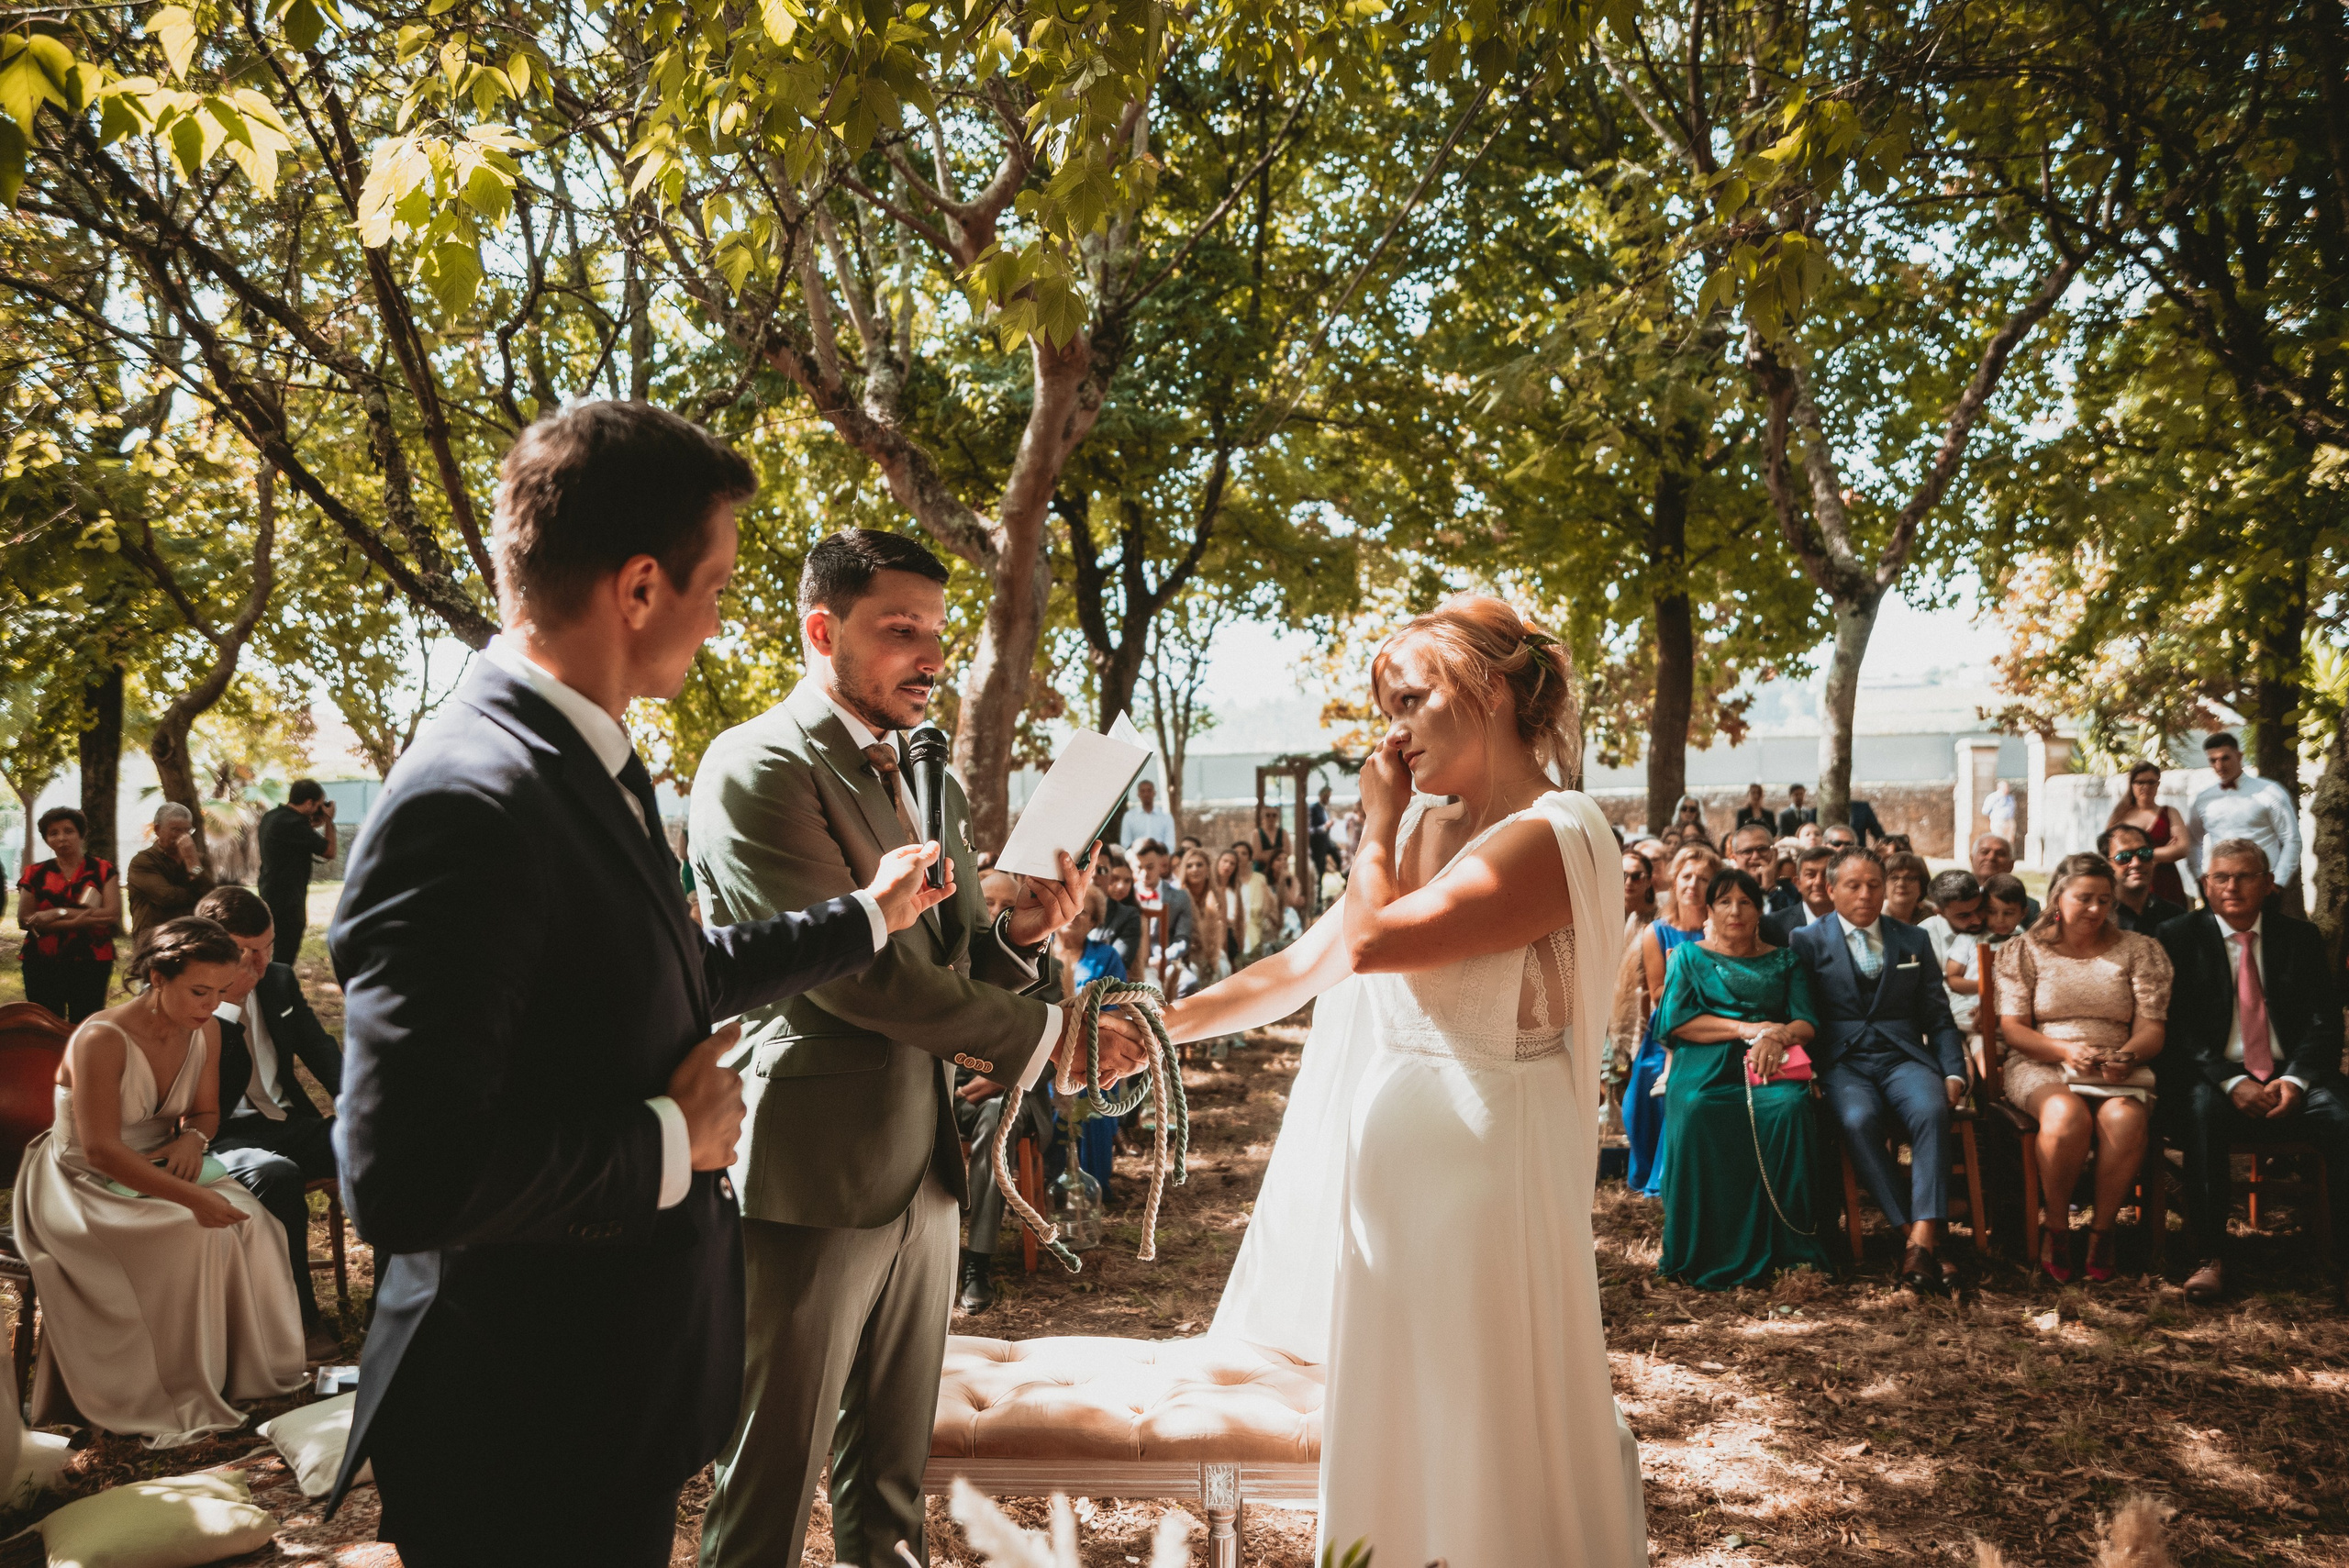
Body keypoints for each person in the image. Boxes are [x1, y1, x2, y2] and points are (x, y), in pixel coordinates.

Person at [325, 406, 958, 1564]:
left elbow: (665, 971)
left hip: (604, 1386)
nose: (720, 621)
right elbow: (404, 1179)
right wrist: (670, 1139)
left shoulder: (583, 760)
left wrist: (869, 912)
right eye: (714, 586)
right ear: (637, 587)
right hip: (515, 1416)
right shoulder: (469, 801)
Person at [687, 526, 1148, 1568]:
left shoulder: (927, 775)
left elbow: (953, 966)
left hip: (927, 1174)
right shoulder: (757, 765)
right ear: (822, 628)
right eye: (902, 630)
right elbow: (855, 976)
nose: (931, 655)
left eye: (939, 631)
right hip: (813, 1170)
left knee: (891, 1479)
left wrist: (1025, 934)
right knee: (769, 1484)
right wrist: (1056, 1038)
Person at [1157, 595, 1645, 1568]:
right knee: (1399, 1428)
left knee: (1479, 1425)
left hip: (1481, 1185)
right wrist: (1155, 1028)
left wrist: (1372, 828)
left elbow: (1374, 941)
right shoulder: (1427, 827)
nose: (1393, 730)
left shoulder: (1555, 831)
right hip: (1390, 1194)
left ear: (1494, 690)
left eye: (1413, 698)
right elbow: (1305, 965)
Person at [13, 917, 306, 1443]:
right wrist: (192, 1197)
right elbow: (100, 1149)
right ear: (156, 976)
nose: (209, 1005)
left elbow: (205, 1114)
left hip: (164, 1161)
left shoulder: (209, 1030)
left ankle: (239, 1377)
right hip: (81, 1179)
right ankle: (170, 1385)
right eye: (198, 991)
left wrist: (193, 1140)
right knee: (189, 1232)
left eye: (219, 992)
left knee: (254, 1224)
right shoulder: (101, 1038)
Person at [2157, 840, 2348, 1307]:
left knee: (2344, 1116)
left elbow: (2325, 1020)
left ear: (2267, 884)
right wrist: (2230, 1079)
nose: (2232, 887)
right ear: (2205, 884)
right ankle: (2209, 1258)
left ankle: (2343, 1261)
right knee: (2202, 1116)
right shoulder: (2177, 936)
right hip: (2212, 1075)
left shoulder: (2299, 938)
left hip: (2290, 1073)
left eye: (2244, 876)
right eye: (2220, 877)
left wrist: (2297, 1080)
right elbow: (2175, 1026)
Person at [1790, 849, 1969, 1296]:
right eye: (1853, 885)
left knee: (1932, 1111)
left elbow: (1939, 1017)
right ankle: (1922, 1240)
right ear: (1830, 890)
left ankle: (1920, 1239)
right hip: (1841, 1062)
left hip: (1903, 1057)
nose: (1866, 894)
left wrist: (1953, 1072)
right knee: (1857, 1120)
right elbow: (1801, 1011)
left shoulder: (1912, 940)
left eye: (1875, 884)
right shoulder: (1806, 941)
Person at [1653, 868, 1835, 1288]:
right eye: (1724, 902)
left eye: (1745, 902)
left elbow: (1806, 1021)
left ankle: (1791, 1249)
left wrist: (1778, 1034)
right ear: (1710, 910)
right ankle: (1706, 1247)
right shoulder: (1687, 957)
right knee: (1699, 1109)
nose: (1735, 911)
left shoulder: (1784, 959)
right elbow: (1678, 1023)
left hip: (1772, 1062)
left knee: (1789, 1108)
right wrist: (1746, 1029)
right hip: (1705, 1063)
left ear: (1759, 911)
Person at [1994, 855, 2171, 1284]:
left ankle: (2102, 1233)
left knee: (2125, 1119)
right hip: (2041, 1059)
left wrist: (2126, 1055)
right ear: (2058, 897)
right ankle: (2057, 1228)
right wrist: (2064, 1051)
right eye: (2084, 898)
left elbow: (2151, 1030)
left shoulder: (2139, 950)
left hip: (2113, 1065)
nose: (2095, 909)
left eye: (2104, 899)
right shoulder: (2026, 949)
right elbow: (2013, 1030)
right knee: (2066, 1115)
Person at [192, 885, 346, 1361]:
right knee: (276, 1176)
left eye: (268, 947)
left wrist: (363, 1107)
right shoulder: (186, 992)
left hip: (285, 1119)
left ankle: (393, 1302)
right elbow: (205, 1089)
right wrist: (229, 1006)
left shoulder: (278, 980)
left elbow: (321, 1051)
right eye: (245, 952)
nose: (259, 964)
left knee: (378, 1144)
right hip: (218, 1133)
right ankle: (301, 1319)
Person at [1626, 844, 1718, 1197]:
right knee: (1646, 1080)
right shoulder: (1657, 932)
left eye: (1704, 878)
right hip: (1668, 1031)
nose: (1693, 884)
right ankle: (1655, 1171)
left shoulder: (1722, 928)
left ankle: (1683, 1174)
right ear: (1674, 882)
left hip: (1715, 1026)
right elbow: (1660, 995)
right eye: (1686, 876)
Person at [15, 806, 120, 1023]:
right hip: (42, 961)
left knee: (86, 1022)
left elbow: (111, 914)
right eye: (53, 833)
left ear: (81, 834)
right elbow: (26, 919)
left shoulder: (103, 869)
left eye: (68, 831)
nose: (62, 838)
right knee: (45, 1024)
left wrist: (56, 913)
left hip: (91, 960)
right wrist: (82, 919)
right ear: (46, 839)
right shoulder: (34, 873)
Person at [2187, 731, 2301, 899]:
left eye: (2225, 758)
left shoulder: (2270, 793)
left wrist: (2278, 881)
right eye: (2213, 760)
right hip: (2219, 887)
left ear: (2239, 756)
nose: (2219, 765)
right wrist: (2200, 876)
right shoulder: (2203, 799)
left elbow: (2291, 839)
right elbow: (2192, 841)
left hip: (2261, 885)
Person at [256, 781, 336, 967]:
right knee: (284, 957)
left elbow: (295, 839)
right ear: (308, 803)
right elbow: (329, 851)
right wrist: (330, 821)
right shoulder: (294, 824)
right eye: (318, 804)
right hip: (288, 900)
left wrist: (314, 823)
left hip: (270, 891)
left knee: (269, 952)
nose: (320, 809)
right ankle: (279, 991)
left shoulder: (272, 816)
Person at [125, 803, 217, 939]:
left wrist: (192, 862)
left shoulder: (199, 860)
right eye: (176, 830)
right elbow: (167, 897)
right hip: (155, 939)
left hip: (193, 936)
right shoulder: (143, 861)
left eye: (187, 830)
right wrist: (197, 895)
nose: (182, 836)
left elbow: (211, 896)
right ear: (157, 829)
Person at [2107, 761, 2191, 907]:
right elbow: (2109, 853)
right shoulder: (2119, 817)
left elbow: (2183, 848)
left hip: (2165, 882)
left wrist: (2136, 856)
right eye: (2140, 782)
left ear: (2158, 785)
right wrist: (2161, 853)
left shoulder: (2170, 813)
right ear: (2132, 784)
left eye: (2151, 782)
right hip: (2130, 882)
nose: (2146, 787)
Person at [2100, 822, 2189, 934]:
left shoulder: (2176, 917)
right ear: (2106, 865)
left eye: (2144, 854)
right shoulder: (2098, 919)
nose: (2136, 863)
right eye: (2124, 857)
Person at [1132, 839, 1197, 988]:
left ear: (1161, 865)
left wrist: (1163, 958)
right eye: (1139, 868)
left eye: (1150, 867)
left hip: (1164, 961)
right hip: (1131, 963)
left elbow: (1183, 939)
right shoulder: (1126, 895)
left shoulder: (1179, 897)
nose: (1144, 873)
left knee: (1188, 983)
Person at [1763, 844, 1835, 946]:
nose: (1819, 882)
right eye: (1811, 875)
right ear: (1798, 883)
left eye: (1826, 875)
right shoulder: (1774, 925)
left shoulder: (1853, 920)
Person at [1972, 833, 2042, 925]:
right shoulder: (1957, 901)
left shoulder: (2030, 907)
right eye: (1984, 852)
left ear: (2011, 865)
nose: (1991, 857)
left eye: (2000, 854)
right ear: (1971, 859)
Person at [1095, 855, 1144, 978]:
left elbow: (1143, 957)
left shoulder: (1134, 915)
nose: (1121, 886)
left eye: (1127, 881)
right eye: (1115, 879)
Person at [1728, 823, 1795, 913]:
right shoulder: (1727, 891)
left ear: (1775, 853)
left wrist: (1771, 888)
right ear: (1735, 858)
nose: (1755, 856)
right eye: (1747, 851)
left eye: (1762, 849)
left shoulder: (1791, 890)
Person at [1121, 777, 1176, 853]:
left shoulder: (1166, 817)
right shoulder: (1129, 816)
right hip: (1136, 858)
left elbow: (1170, 844)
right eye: (1143, 791)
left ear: (1154, 793)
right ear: (1138, 794)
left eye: (1149, 790)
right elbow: (1125, 843)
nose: (1146, 794)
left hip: (1160, 857)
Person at [1883, 851, 1931, 925]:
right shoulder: (1874, 917)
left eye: (1909, 878)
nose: (1901, 884)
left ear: (1922, 884)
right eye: (1894, 878)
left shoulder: (1935, 917)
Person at [1622, 848, 1657, 936]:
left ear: (1649, 881)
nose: (1628, 882)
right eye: (1623, 875)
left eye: (1637, 876)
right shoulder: (1607, 913)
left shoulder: (1659, 919)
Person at [1250, 805, 1290, 878]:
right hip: (1260, 871)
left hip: (1280, 873)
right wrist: (1277, 855)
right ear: (1263, 817)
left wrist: (1265, 853)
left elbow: (1287, 852)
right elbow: (1256, 855)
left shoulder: (1283, 832)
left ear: (1277, 817)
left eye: (1274, 815)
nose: (1271, 818)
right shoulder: (1257, 833)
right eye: (1268, 815)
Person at [1308, 784, 1336, 878]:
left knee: (1337, 854)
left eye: (1329, 797)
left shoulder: (1324, 809)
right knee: (1318, 873)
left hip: (1325, 843)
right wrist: (1325, 827)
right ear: (1321, 795)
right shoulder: (1313, 809)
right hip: (1317, 846)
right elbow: (1310, 830)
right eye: (1326, 797)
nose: (1328, 799)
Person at [1984, 778, 2019, 845]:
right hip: (1998, 822)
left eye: (2007, 787)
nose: (2007, 789)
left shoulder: (2010, 798)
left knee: (2009, 842)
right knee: (1998, 840)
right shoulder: (1992, 797)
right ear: (1998, 788)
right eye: (2005, 787)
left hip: (2009, 822)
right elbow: (1985, 810)